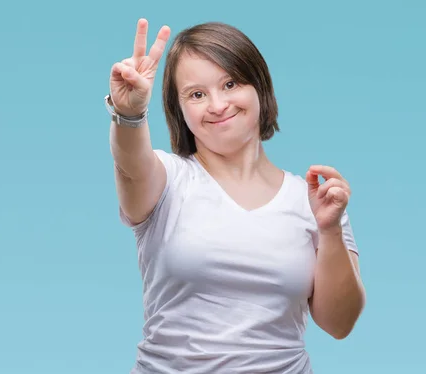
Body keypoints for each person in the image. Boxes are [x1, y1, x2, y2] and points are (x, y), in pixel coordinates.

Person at [105, 18, 366, 374]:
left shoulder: (313, 201)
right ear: (179, 110)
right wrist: (129, 113)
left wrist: (331, 230)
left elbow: (340, 323)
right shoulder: (167, 180)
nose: (217, 104)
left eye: (230, 83)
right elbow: (130, 164)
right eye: (196, 94)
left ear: (259, 86)